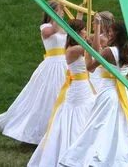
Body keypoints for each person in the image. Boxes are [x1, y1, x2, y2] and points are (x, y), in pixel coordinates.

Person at [60, 22, 128, 167]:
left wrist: (88, 52)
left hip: (108, 93)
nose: (109, 34)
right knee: (121, 125)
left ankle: (85, 157)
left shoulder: (109, 52)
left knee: (97, 124)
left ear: (117, 34)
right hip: (123, 94)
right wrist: (121, 81)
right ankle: (120, 156)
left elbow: (90, 68)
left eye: (111, 32)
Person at [0, 1, 69, 144]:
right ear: (52, 12)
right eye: (59, 11)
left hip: (65, 64)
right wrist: (56, 16)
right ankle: (42, 132)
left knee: (65, 96)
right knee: (49, 96)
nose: (62, 13)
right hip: (52, 65)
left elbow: (73, 34)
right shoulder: (45, 27)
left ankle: (62, 131)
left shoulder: (62, 26)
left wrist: (79, 15)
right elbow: (52, 32)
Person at [28, 18, 96, 167]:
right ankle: (74, 152)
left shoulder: (78, 46)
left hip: (85, 87)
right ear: (77, 32)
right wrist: (97, 29)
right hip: (78, 88)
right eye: (84, 29)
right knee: (77, 116)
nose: (86, 32)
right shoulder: (73, 50)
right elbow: (93, 49)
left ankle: (89, 150)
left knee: (89, 113)